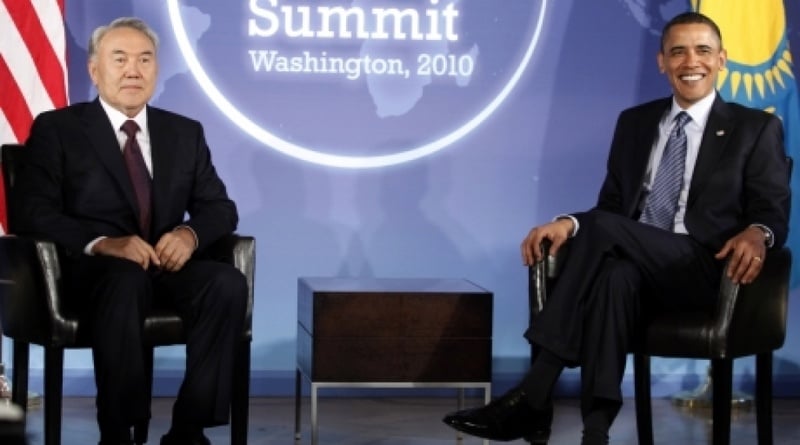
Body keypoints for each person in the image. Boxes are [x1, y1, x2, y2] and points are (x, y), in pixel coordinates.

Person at [442, 11, 790, 445]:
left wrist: (759, 232)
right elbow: (611, 207)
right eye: (677, 51)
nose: (690, 61)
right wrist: (568, 224)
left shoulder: (755, 128)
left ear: (722, 59)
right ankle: (596, 432)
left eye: (702, 50)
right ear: (662, 62)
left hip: (706, 267)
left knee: (606, 235)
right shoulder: (636, 123)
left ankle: (534, 393)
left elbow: (771, 207)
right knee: (613, 278)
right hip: (638, 266)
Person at [15, 17, 247, 445]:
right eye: (119, 59)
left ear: (156, 70)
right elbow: (31, 212)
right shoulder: (59, 129)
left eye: (145, 59)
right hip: (91, 273)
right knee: (124, 281)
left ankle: (189, 428)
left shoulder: (183, 132)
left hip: (163, 268)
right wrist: (103, 244)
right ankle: (118, 431)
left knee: (225, 283)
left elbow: (219, 207)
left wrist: (188, 236)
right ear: (94, 69)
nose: (133, 71)